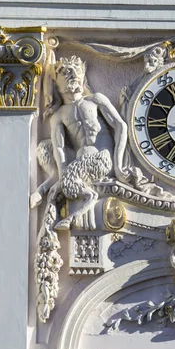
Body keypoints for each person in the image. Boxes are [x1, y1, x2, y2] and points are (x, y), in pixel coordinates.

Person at [31, 55, 129, 228]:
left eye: (77, 71)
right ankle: (55, 180)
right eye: (66, 72)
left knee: (80, 160)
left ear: (83, 76)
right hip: (78, 161)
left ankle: (87, 198)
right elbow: (59, 149)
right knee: (44, 147)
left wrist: (119, 166)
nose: (73, 75)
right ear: (56, 82)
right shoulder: (59, 115)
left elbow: (120, 126)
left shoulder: (95, 100)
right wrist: (62, 175)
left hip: (100, 159)